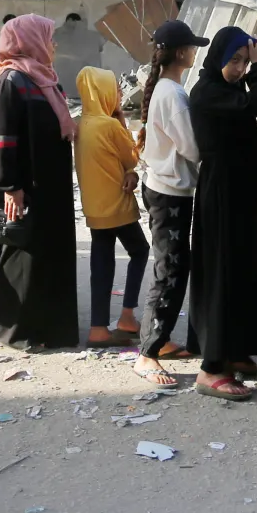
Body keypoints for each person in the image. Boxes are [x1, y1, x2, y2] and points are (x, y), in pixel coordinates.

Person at [188, 26, 257, 400]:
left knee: (243, 268)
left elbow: (247, 136)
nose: (240, 69)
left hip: (240, 188)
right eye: (234, 61)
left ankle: (236, 349)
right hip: (220, 190)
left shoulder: (229, 90)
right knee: (222, 271)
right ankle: (211, 368)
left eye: (243, 60)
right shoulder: (207, 92)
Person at [0, 13, 80, 353]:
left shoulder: (48, 82)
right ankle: (19, 330)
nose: (53, 45)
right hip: (26, 186)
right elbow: (0, 139)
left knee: (52, 255)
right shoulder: (10, 82)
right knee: (24, 256)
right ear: (31, 40)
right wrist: (10, 186)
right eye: (48, 37)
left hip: (52, 185)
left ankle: (54, 329)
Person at [135, 19, 209, 381]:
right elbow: (192, 147)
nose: (195, 52)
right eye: (192, 47)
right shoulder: (174, 95)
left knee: (172, 268)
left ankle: (159, 340)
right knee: (169, 272)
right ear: (181, 53)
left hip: (163, 188)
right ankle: (147, 352)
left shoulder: (164, 89)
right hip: (170, 193)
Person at [75, 65, 146, 347]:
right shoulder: (110, 125)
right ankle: (127, 315)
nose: (119, 93)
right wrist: (120, 120)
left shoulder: (81, 122)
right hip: (117, 204)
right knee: (140, 251)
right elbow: (132, 156)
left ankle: (98, 328)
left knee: (101, 262)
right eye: (114, 89)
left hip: (94, 207)